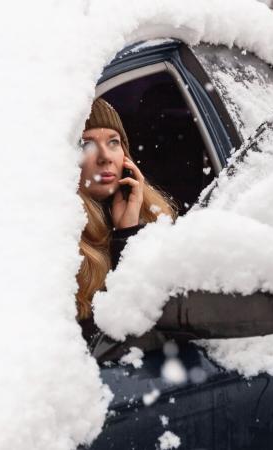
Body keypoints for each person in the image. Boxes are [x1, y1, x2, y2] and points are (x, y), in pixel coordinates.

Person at [76, 98, 177, 346]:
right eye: (86, 144)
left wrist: (129, 232)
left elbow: (160, 319)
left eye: (113, 142)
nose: (105, 157)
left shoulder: (154, 218)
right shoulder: (60, 239)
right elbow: (108, 344)